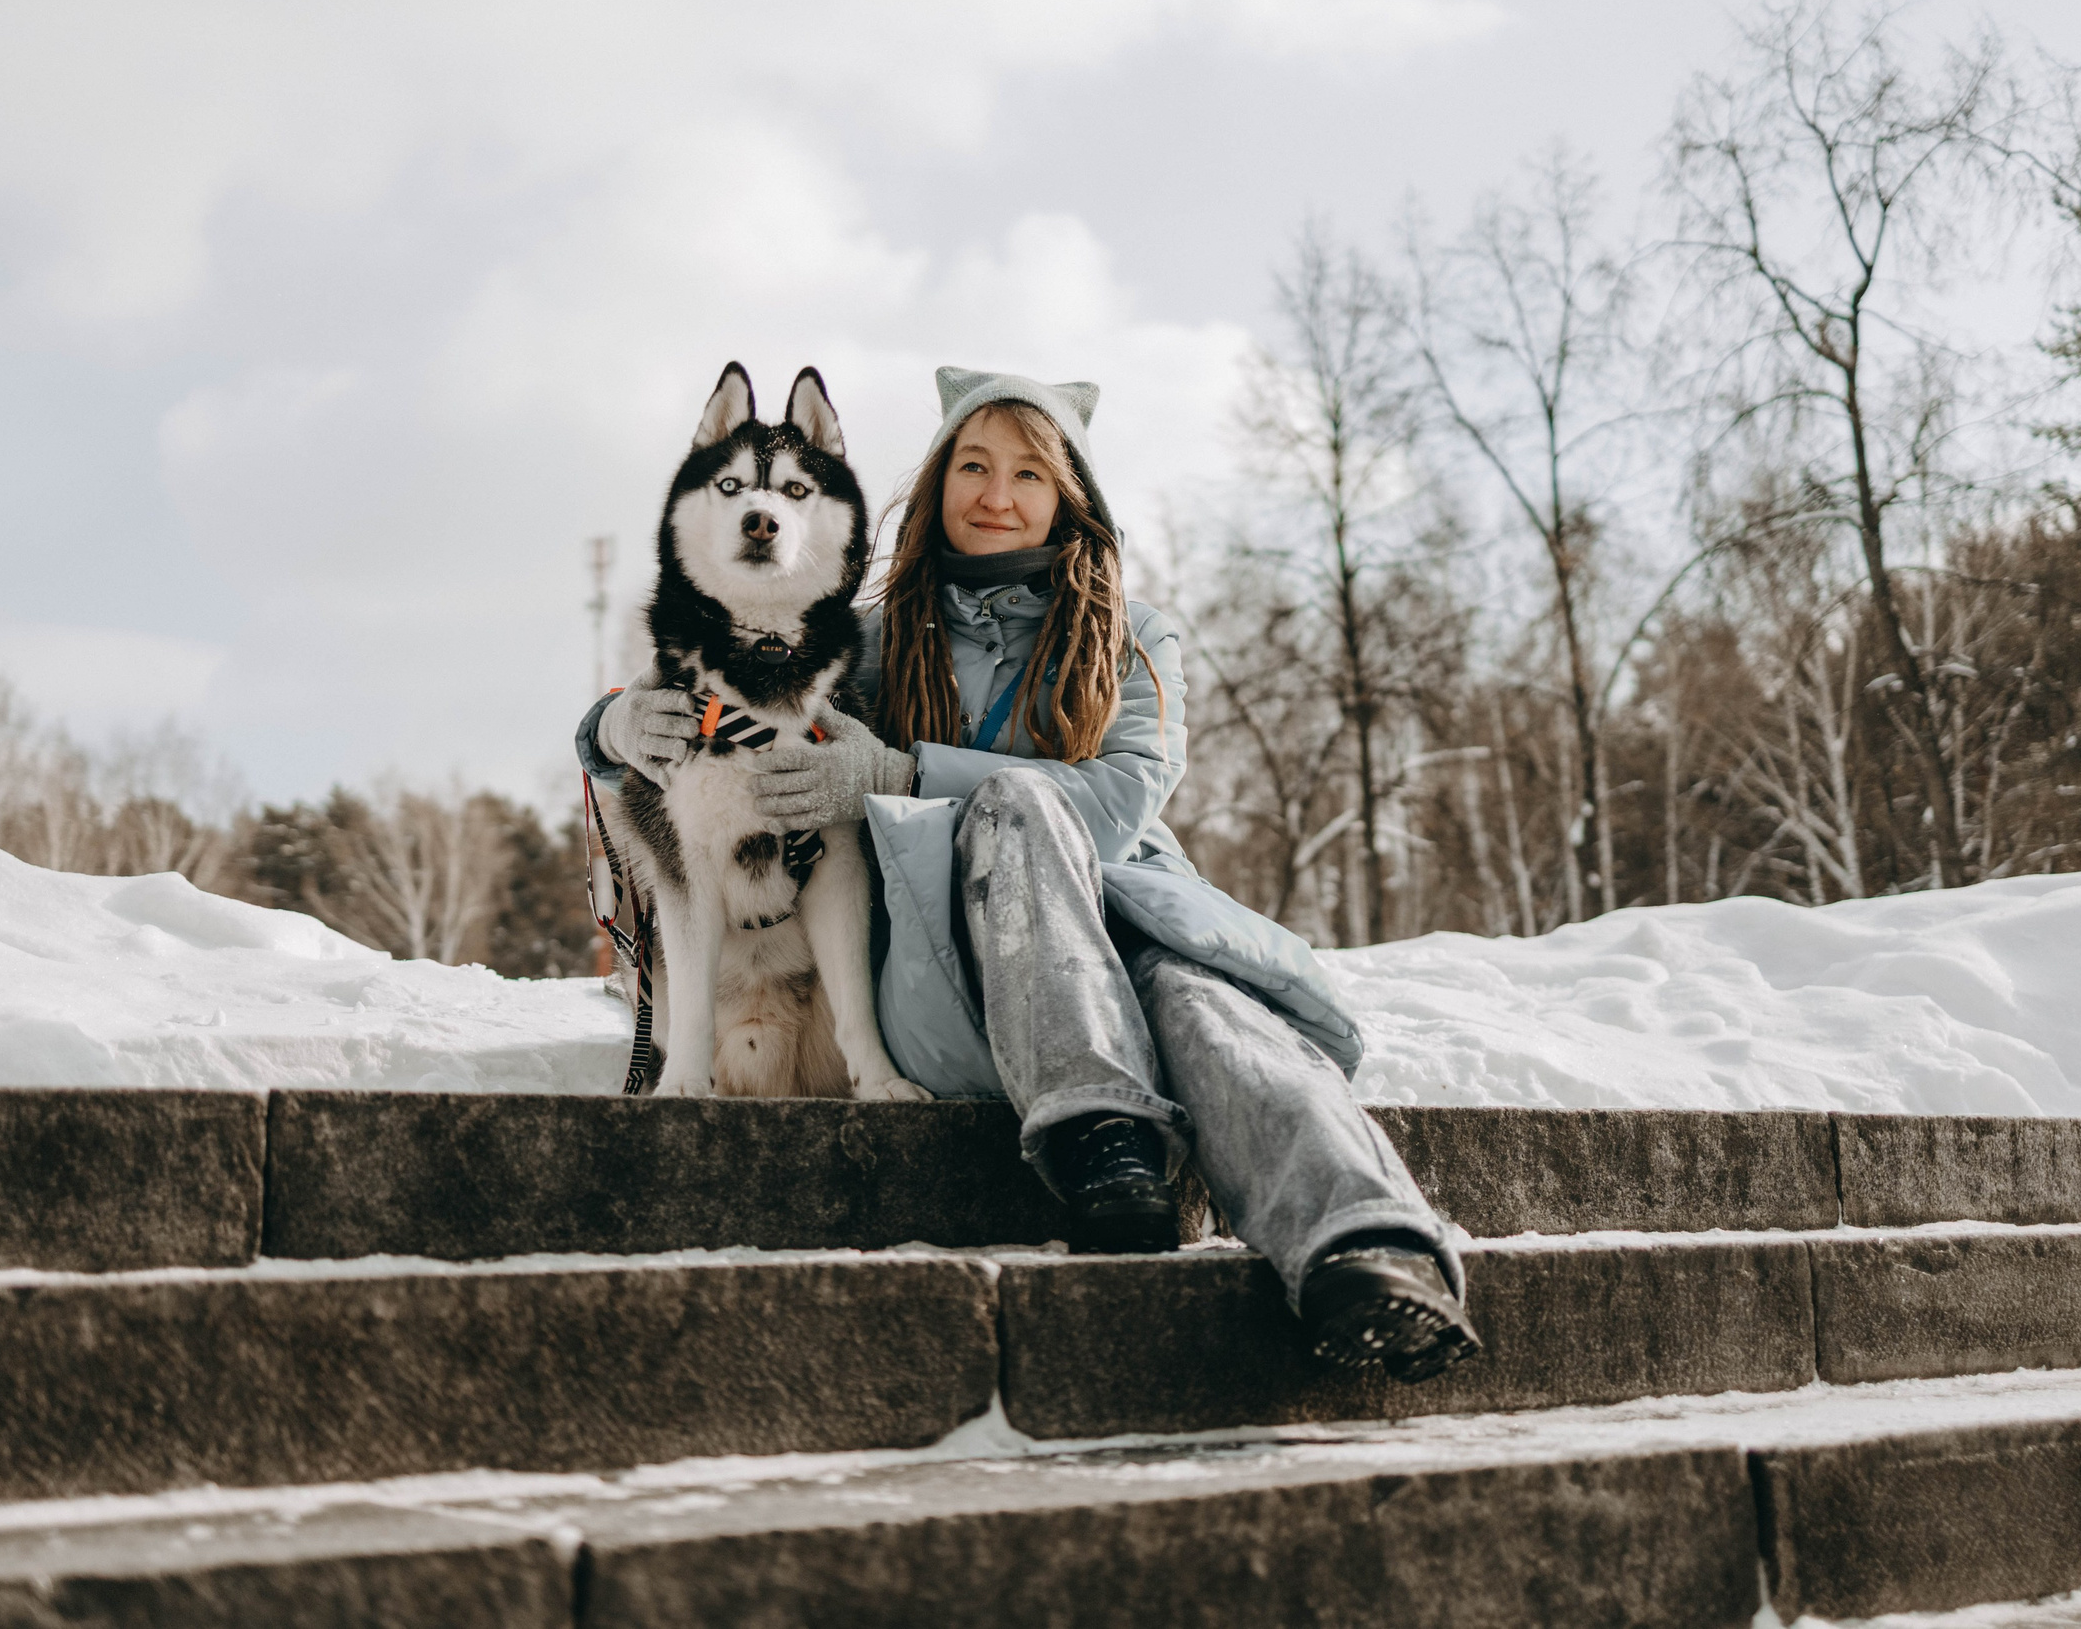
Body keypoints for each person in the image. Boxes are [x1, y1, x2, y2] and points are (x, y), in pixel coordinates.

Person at [580, 367, 1478, 1380]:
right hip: (949, 973)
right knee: (1020, 813)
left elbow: (1120, 801)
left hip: (1116, 938)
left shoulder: (1134, 640)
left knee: (1200, 1001)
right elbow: (725, 677)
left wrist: (905, 772)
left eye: (1027, 474)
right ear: (936, 485)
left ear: (1069, 499)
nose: (995, 494)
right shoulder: (865, 644)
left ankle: (1368, 1253)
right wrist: (610, 727)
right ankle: (1099, 1129)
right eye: (972, 465)